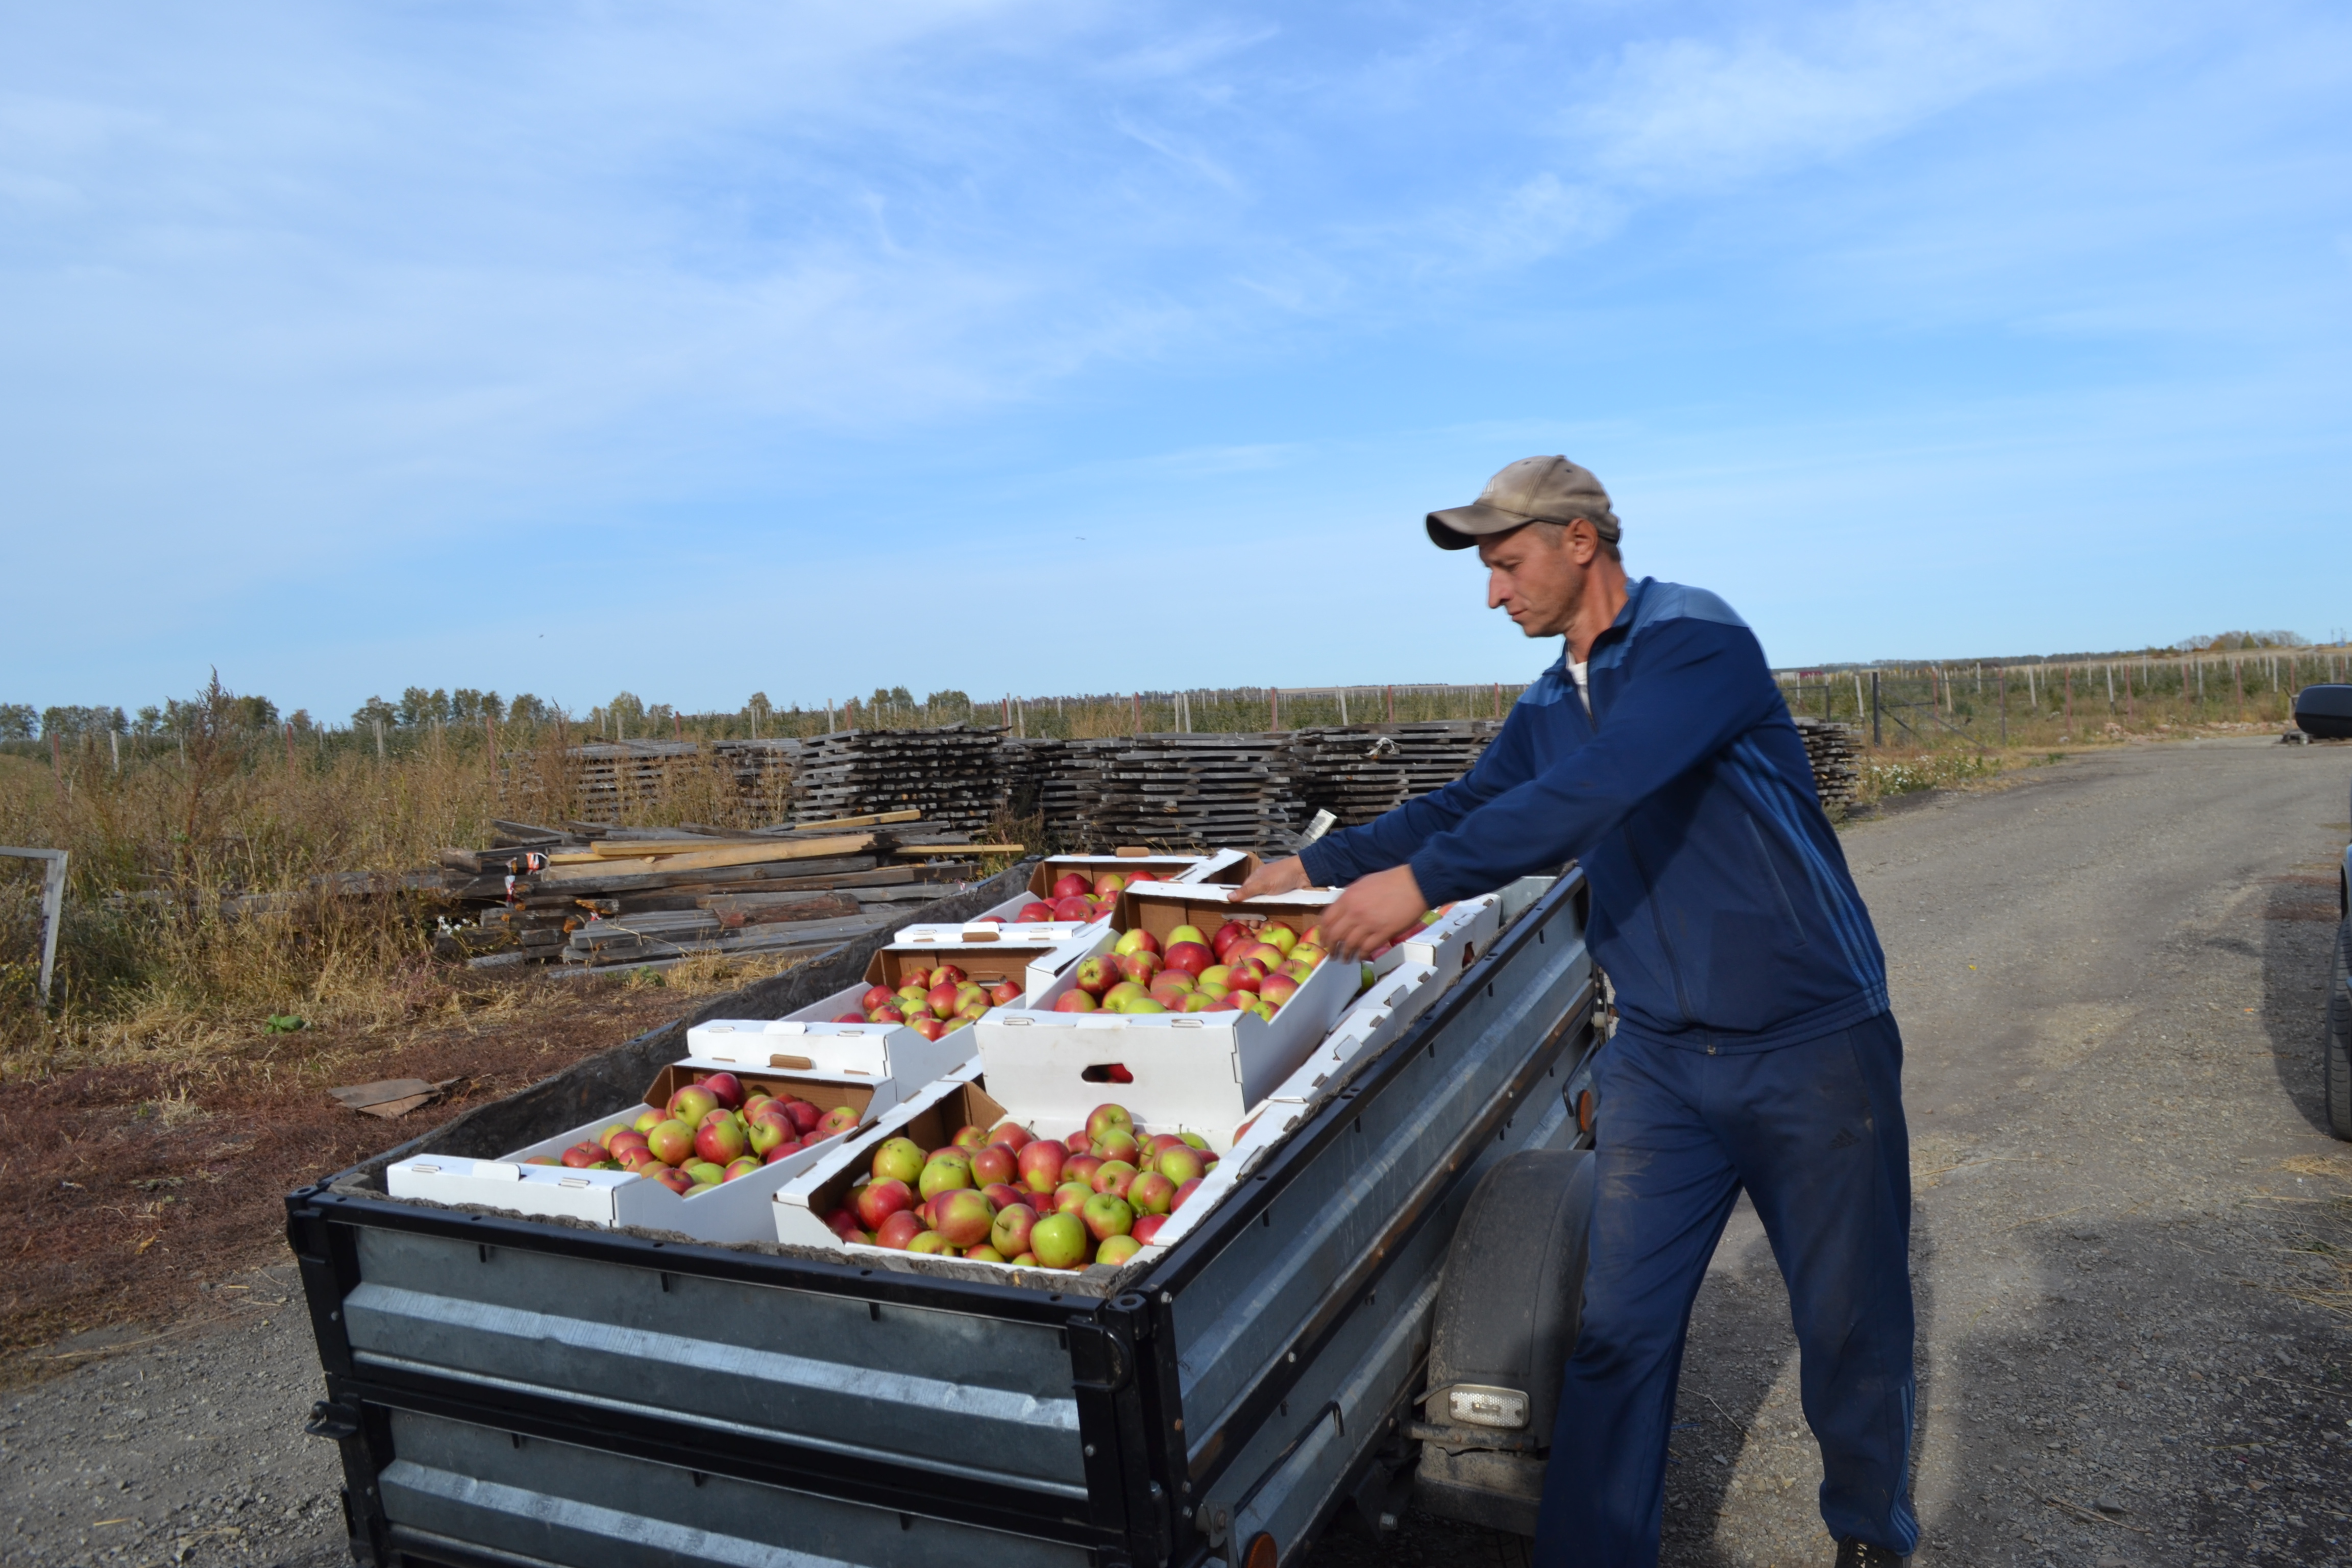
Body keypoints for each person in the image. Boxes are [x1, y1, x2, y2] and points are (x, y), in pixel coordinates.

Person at [1228, 456, 1917, 1567]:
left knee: (1850, 1324)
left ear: (1581, 541)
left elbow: (1597, 788)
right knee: (1614, 1338)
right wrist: (1311, 866)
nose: (1494, 594)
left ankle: (1872, 1536)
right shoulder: (1550, 701)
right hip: (1658, 1059)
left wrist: (1422, 885)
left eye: (1507, 565)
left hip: (1810, 1045)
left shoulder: (1698, 644)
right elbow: (1472, 800)